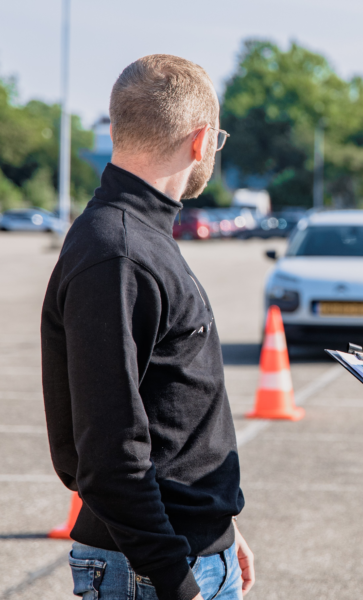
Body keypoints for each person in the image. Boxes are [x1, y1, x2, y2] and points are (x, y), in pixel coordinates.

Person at [41, 55, 253, 600]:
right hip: (148, 572)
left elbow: (170, 414)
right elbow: (109, 455)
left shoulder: (138, 238)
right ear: (202, 140)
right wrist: (177, 581)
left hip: (188, 551)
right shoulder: (119, 253)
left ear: (115, 129)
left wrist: (221, 531)